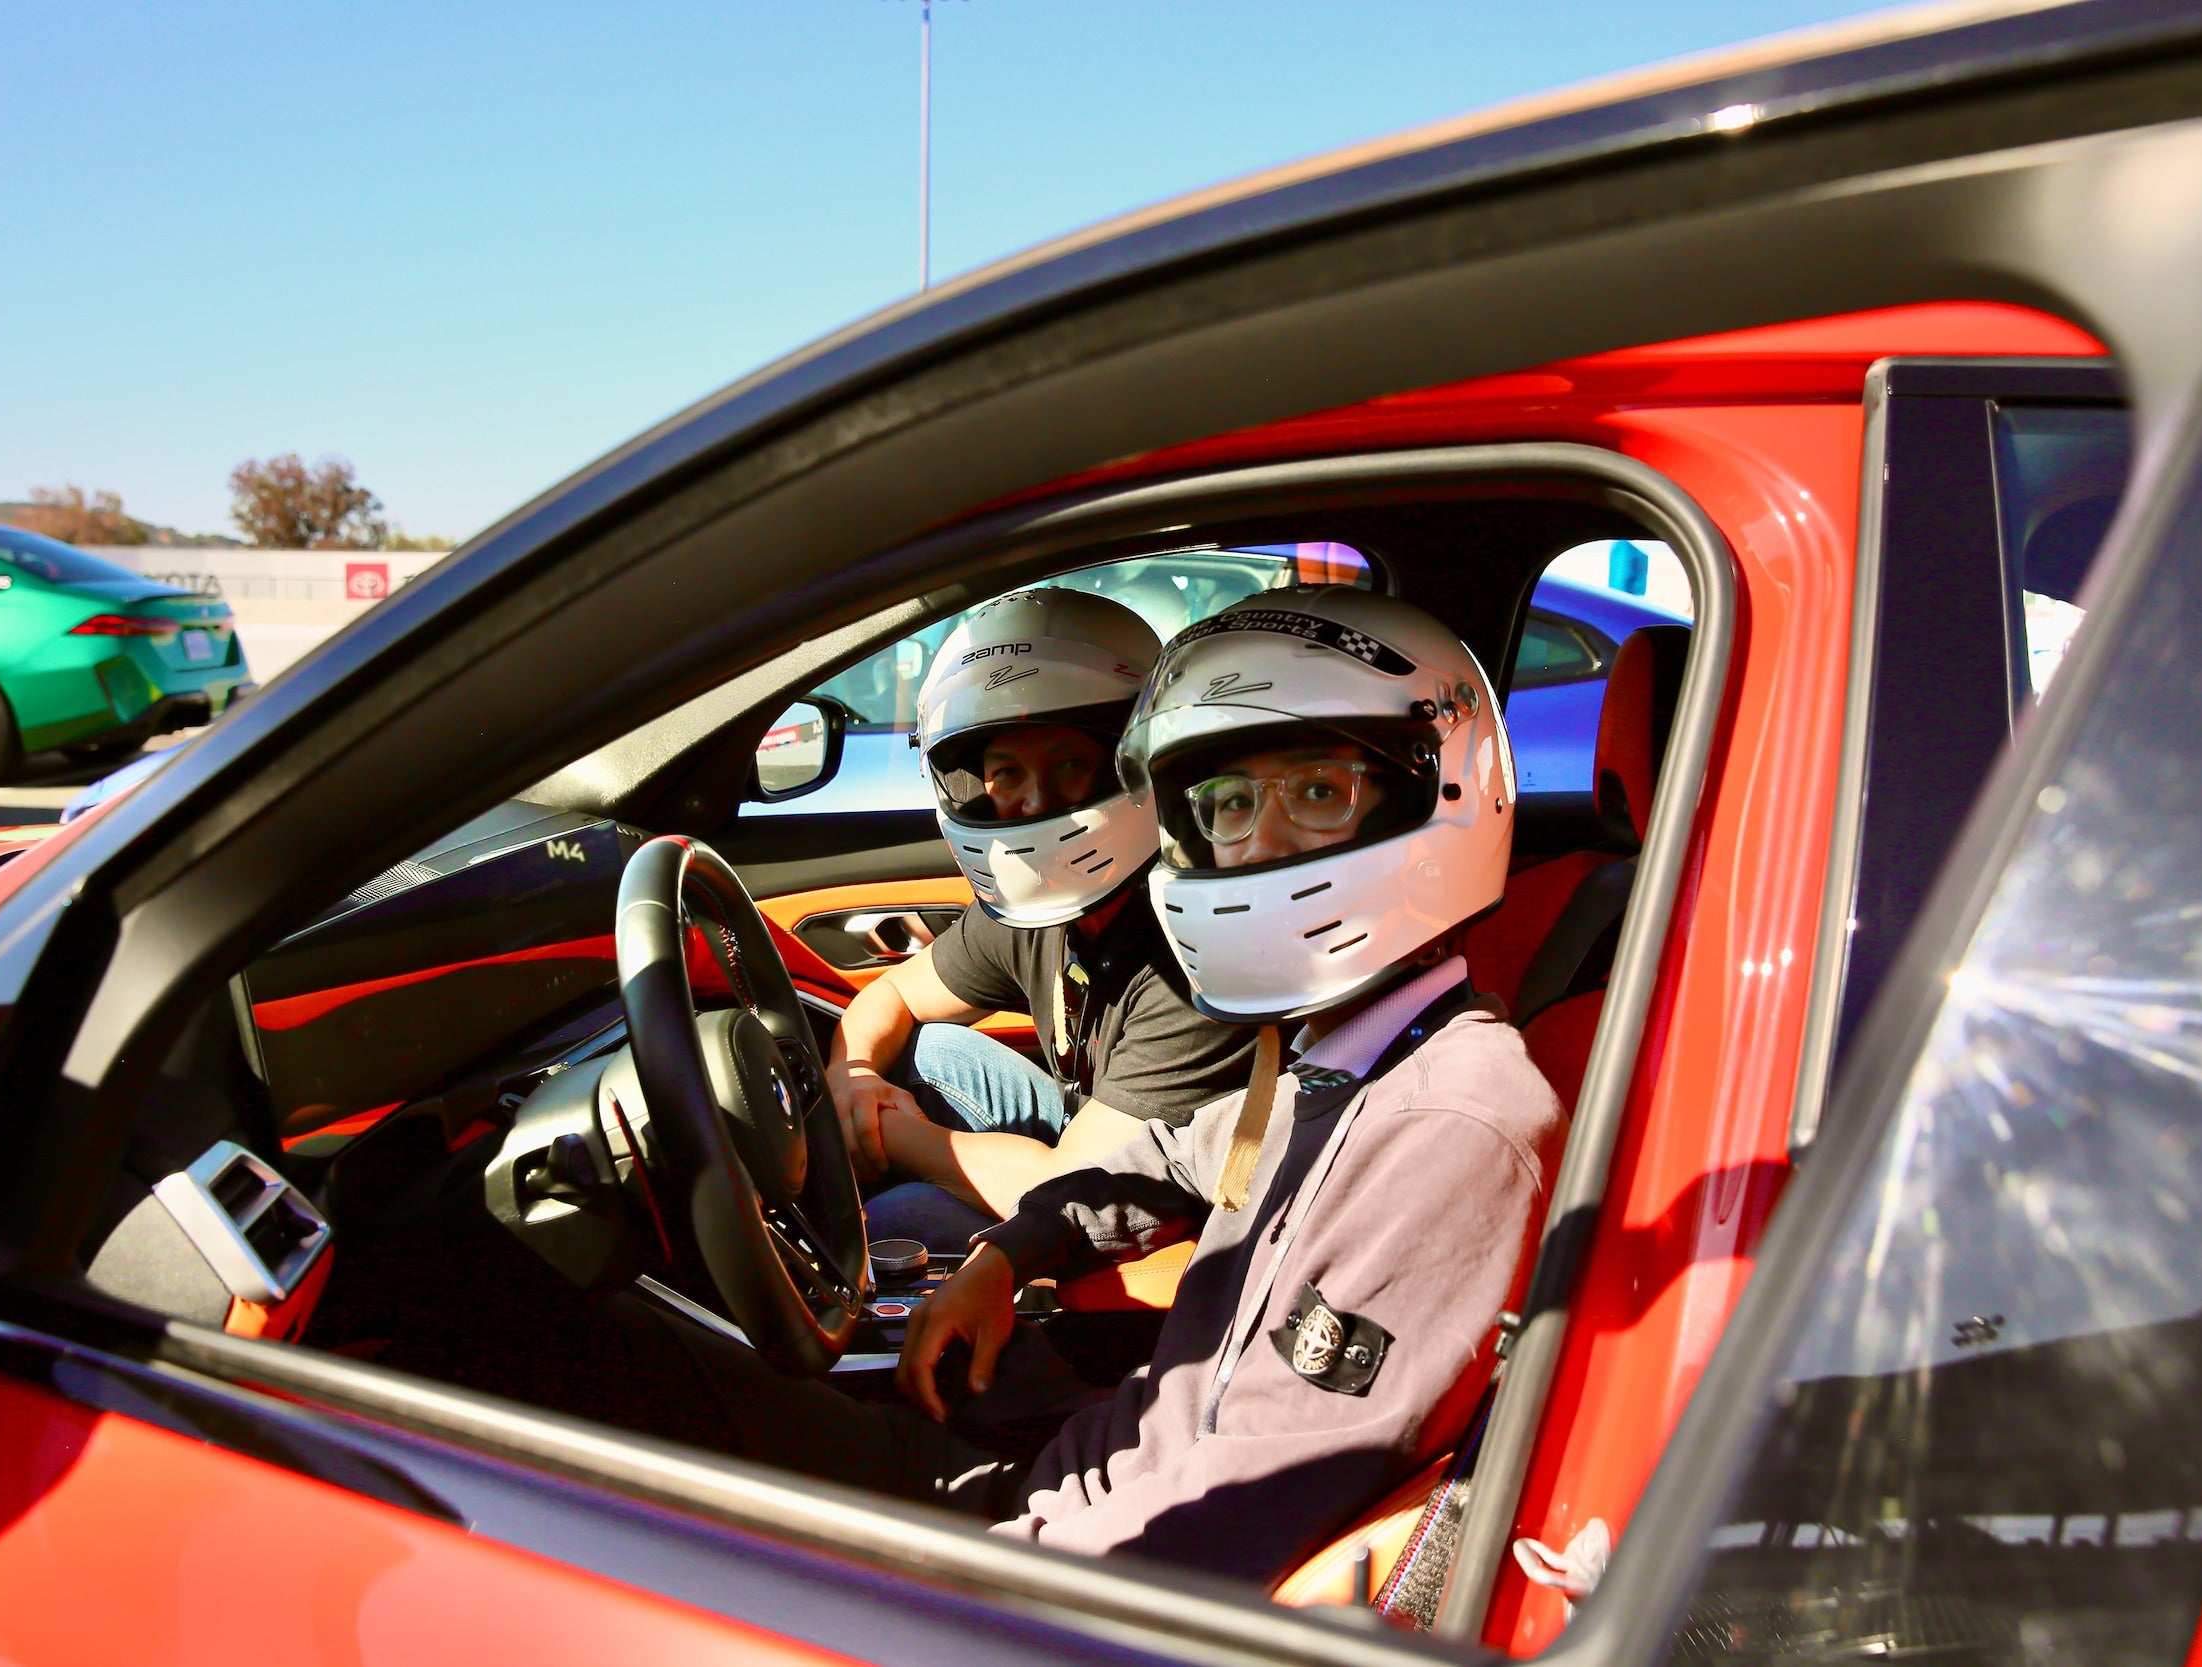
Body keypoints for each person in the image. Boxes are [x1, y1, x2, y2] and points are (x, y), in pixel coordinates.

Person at [630, 586, 1563, 1588]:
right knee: (665, 1385)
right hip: (1075, 1471)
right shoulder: (1345, 1055)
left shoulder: (1452, 1127)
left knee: (642, 1406)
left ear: (1439, 794)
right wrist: (1006, 1252)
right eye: (1229, 804)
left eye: (1318, 792)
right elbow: (1167, 1155)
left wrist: (974, 1576)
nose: (1257, 843)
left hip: (1059, 1550)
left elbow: (1237, 1508)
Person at [827, 587, 1258, 1251]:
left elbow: (1074, 1185)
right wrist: (852, 1077)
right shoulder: (1033, 907)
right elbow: (890, 994)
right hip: (1092, 1137)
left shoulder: (1195, 951)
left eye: (1069, 765)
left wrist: (889, 1130)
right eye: (1006, 773)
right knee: (928, 1050)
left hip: (1166, 1213)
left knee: (901, 1217)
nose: (1033, 804)